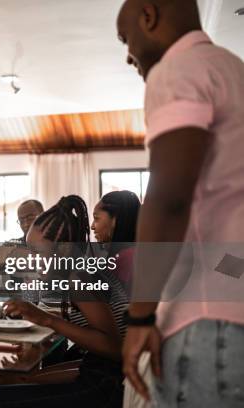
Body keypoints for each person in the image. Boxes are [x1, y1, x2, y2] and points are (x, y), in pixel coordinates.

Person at [117, 0, 244, 406]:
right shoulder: (233, 70)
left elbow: (169, 196)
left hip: (206, 322)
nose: (128, 55)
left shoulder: (176, 70)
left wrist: (140, 316)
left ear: (148, 16)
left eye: (125, 38)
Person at [0, 196, 128, 408]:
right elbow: (96, 363)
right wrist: (35, 377)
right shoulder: (78, 268)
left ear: (61, 250)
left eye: (36, 252)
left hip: (109, 390)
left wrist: (46, 319)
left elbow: (115, 349)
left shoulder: (79, 278)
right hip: (99, 376)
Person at [91, 190, 141, 296]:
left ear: (115, 219)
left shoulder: (128, 258)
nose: (92, 226)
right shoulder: (124, 255)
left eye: (96, 218)